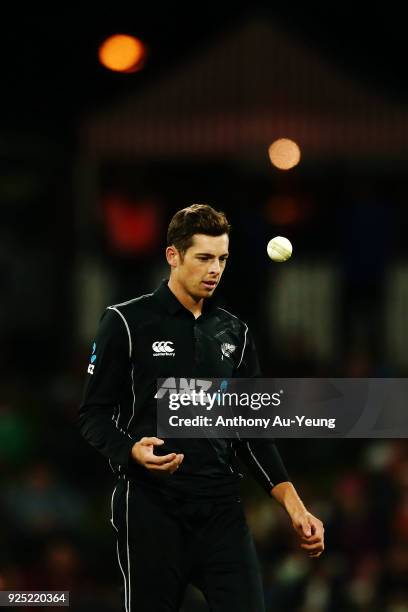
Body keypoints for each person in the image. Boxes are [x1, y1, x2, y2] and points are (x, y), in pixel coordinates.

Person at [77, 204, 324, 612]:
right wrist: (129, 451)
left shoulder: (235, 332)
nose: (215, 270)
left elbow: (251, 433)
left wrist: (296, 509)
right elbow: (92, 414)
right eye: (204, 258)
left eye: (222, 259)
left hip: (221, 510)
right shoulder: (125, 322)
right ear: (173, 255)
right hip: (150, 507)